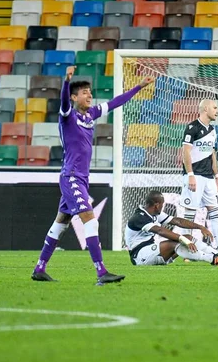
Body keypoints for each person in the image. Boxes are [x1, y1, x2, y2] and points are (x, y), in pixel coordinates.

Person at [32, 66, 155, 284]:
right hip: (70, 176)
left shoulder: (92, 114)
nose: (89, 95)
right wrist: (66, 81)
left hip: (81, 178)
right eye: (84, 92)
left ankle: (40, 268)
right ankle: (101, 272)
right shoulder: (67, 116)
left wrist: (138, 87)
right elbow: (62, 102)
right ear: (74, 97)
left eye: (90, 91)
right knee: (90, 219)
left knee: (61, 222)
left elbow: (116, 102)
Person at [125, 191, 218, 266]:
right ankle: (213, 259)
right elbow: (160, 230)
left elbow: (177, 221)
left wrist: (199, 227)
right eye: (162, 204)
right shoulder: (139, 217)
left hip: (151, 252)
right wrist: (182, 238)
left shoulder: (153, 213)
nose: (163, 207)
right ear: (157, 205)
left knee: (188, 238)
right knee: (178, 242)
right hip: (139, 256)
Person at [178, 99, 218, 252]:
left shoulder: (212, 130)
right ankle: (186, 248)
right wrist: (190, 174)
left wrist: (217, 176)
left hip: (209, 177)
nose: (217, 110)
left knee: (215, 211)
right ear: (206, 109)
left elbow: (212, 153)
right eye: (215, 107)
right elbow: (185, 151)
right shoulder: (192, 127)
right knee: (190, 213)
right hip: (195, 176)